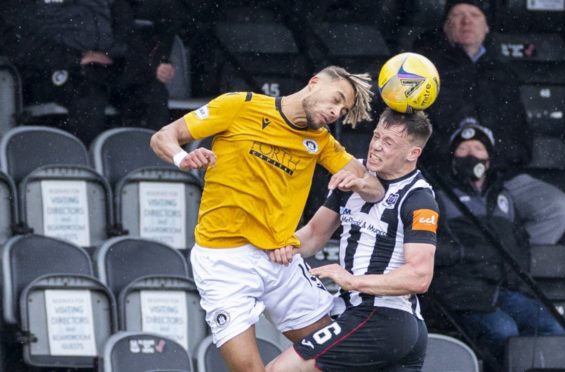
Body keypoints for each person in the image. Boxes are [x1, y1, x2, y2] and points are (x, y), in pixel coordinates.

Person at [150, 65, 385, 372]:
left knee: (336, 358)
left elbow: (376, 190)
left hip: (279, 262)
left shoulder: (322, 142)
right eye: (336, 99)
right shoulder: (239, 105)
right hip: (223, 262)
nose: (336, 112)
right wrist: (183, 157)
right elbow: (163, 137)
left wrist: (360, 182)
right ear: (314, 83)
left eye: (343, 109)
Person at [266, 108, 437, 372]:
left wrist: (352, 281)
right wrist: (270, 247)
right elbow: (314, 234)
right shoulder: (357, 174)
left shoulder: (418, 197)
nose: (376, 147)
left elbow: (420, 277)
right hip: (364, 315)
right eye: (376, 136)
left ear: (412, 154)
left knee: (281, 370)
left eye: (388, 142)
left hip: (384, 317)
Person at [413, 0, 565, 246]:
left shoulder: (503, 74)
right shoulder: (427, 70)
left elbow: (522, 139)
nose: (466, 21)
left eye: (474, 15)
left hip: (500, 176)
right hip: (443, 177)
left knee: (557, 207)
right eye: (458, 15)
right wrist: (455, 160)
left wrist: (491, 164)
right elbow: (417, 133)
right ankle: (470, 262)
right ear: (446, 27)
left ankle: (502, 261)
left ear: (487, 26)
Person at [431, 122, 565, 367]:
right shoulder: (437, 195)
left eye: (478, 148)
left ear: (489, 159)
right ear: (452, 157)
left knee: (553, 326)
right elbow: (433, 249)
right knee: (504, 330)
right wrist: (468, 257)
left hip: (503, 289)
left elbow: (518, 246)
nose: (471, 154)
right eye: (463, 148)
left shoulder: (504, 197)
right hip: (464, 292)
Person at [0, 0, 180, 145]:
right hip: (52, 70)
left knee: (151, 93)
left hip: (106, 66)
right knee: (88, 99)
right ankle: (88, 174)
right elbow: (16, 43)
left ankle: (148, 168)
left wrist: (148, 66)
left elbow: (128, 34)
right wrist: (74, 58)